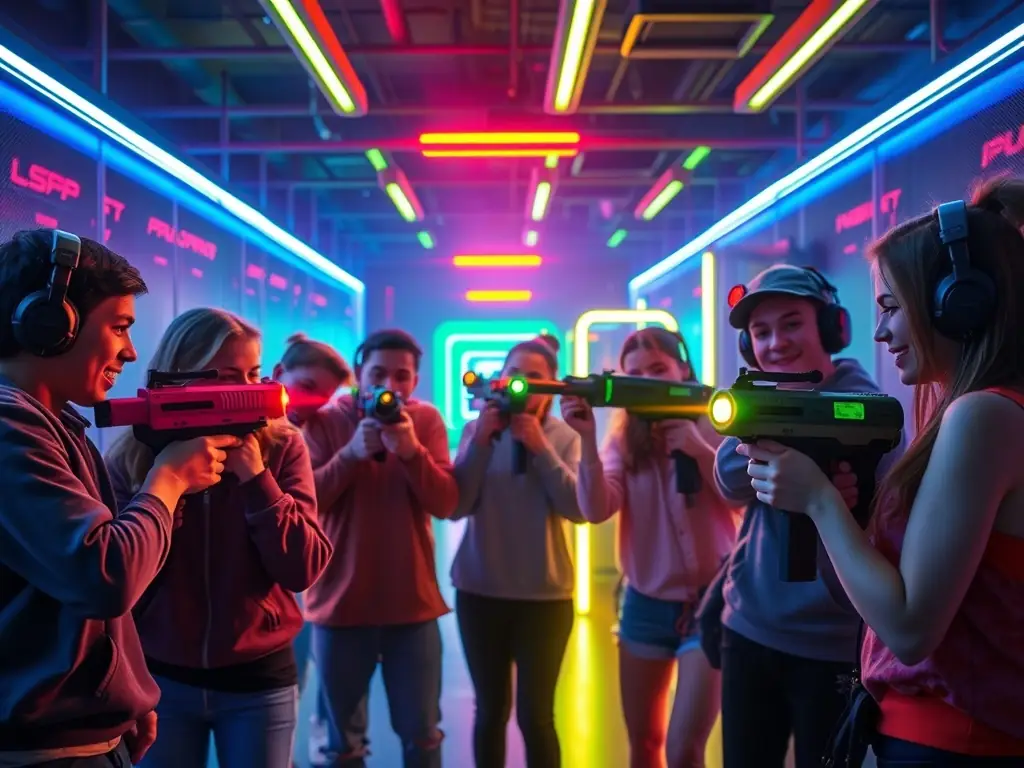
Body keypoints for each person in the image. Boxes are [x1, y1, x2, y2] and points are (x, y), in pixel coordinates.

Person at [739, 179, 1024, 765]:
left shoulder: (983, 414)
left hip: (951, 739)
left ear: (957, 300)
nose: (882, 332)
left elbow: (910, 626)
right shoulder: (972, 409)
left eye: (893, 308)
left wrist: (820, 502)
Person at [0, 230, 236, 767]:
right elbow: (105, 575)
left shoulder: (54, 424)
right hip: (44, 751)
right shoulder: (10, 427)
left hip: (79, 737)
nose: (129, 351)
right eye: (119, 327)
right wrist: (169, 481)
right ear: (51, 326)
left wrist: (128, 686)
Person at [104, 308, 333, 768]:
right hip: (160, 677)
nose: (250, 391)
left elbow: (303, 567)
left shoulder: (282, 445)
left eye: (254, 374)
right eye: (231, 376)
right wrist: (168, 485)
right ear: (180, 376)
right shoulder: (132, 455)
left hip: (259, 676)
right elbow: (119, 577)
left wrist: (257, 479)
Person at [707, 263, 904, 768]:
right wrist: (782, 416)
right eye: (761, 332)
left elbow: (891, 491)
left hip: (832, 642)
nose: (776, 343)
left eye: (791, 323)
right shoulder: (760, 397)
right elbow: (729, 478)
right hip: (749, 628)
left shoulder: (865, 403)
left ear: (830, 327)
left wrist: (831, 492)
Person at [562, 327, 736, 768]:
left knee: (684, 750)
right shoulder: (622, 438)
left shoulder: (716, 421)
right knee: (644, 744)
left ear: (682, 368)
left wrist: (699, 450)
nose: (650, 380)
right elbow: (597, 509)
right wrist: (585, 438)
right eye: (636, 373)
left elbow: (743, 499)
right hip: (645, 606)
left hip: (711, 605)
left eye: (658, 369)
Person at [302, 329, 457, 768]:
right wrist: (350, 455)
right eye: (378, 374)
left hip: (413, 606)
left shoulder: (424, 421)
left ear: (416, 381)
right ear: (358, 374)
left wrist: (412, 453)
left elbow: (446, 503)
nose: (389, 387)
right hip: (340, 604)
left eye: (402, 376)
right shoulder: (328, 420)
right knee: (343, 742)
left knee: (422, 734)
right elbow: (306, 503)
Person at [451, 334, 583, 768]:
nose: (522, 384)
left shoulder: (564, 437)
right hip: (479, 591)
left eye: (534, 377)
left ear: (551, 385)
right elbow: (459, 504)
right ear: (499, 378)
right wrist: (482, 442)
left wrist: (539, 447)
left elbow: (575, 508)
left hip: (544, 598)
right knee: (489, 711)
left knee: (536, 716)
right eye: (514, 374)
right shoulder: (478, 429)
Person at [272, 332, 357, 767]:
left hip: (297, 599)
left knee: (290, 706)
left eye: (322, 399)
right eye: (305, 389)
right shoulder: (254, 438)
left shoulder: (302, 437)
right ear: (277, 374)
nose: (310, 406)